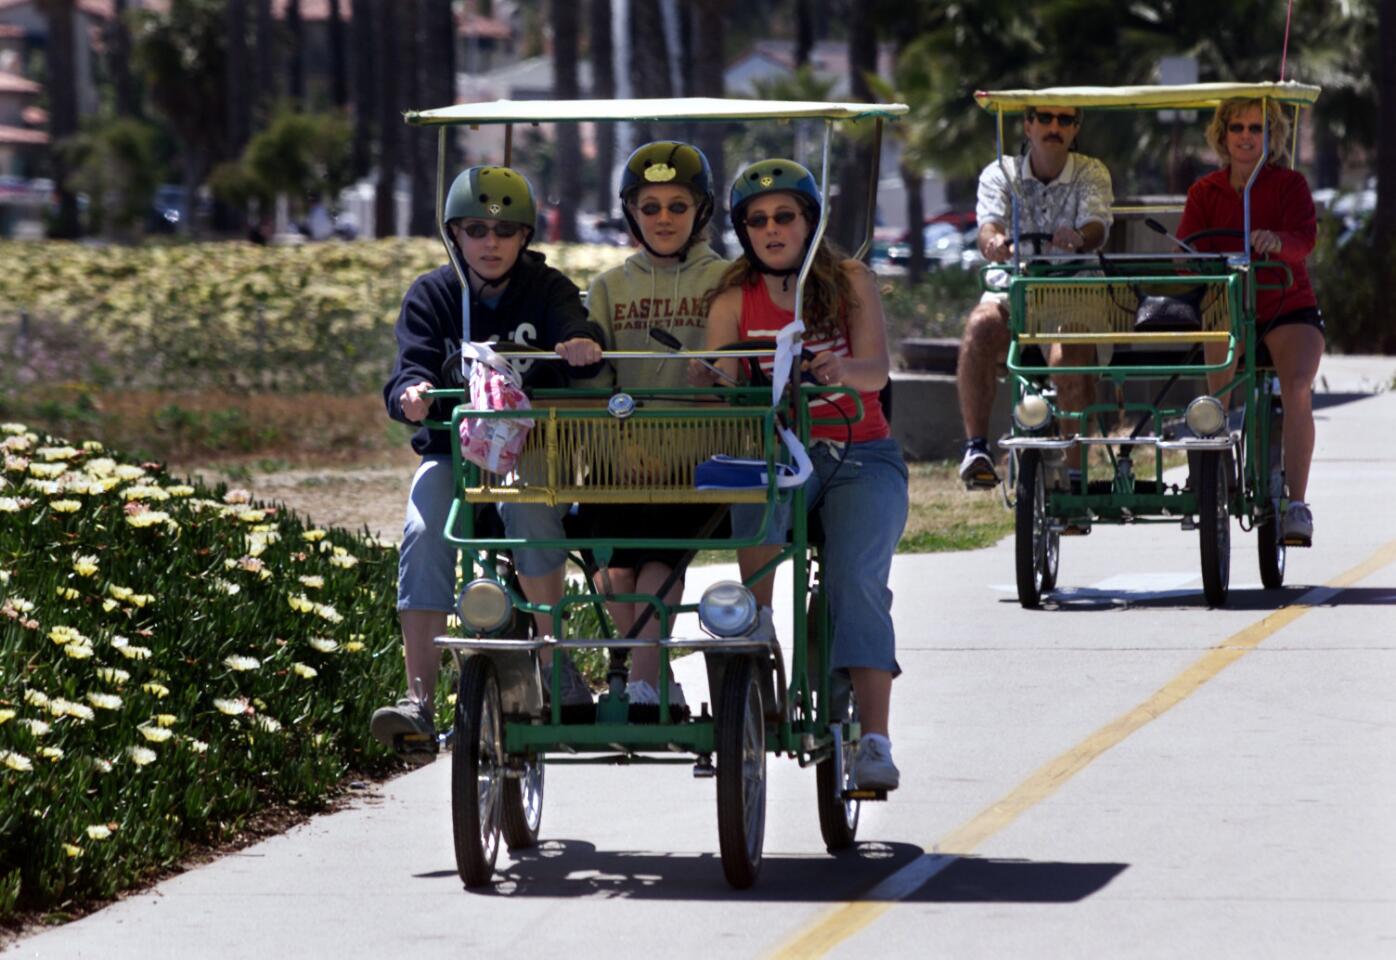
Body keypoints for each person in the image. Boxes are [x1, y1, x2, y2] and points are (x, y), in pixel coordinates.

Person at [373, 165, 605, 761]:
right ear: (455, 234)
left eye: (505, 230)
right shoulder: (432, 294)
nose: (490, 242)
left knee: (527, 510)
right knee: (424, 531)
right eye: (476, 229)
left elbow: (575, 329)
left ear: (525, 236)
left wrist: (579, 342)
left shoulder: (547, 287)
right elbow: (410, 366)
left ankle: (557, 664)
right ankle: (418, 699)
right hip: (453, 454)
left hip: (529, 452)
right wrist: (411, 393)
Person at [695, 158, 908, 791]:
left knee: (857, 584)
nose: (772, 229)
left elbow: (877, 370)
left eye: (785, 216)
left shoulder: (849, 282)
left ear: (809, 221)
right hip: (778, 454)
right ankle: (751, 658)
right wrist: (709, 379)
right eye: (757, 220)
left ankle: (874, 740)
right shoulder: (734, 299)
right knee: (751, 497)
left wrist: (842, 371)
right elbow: (719, 383)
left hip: (860, 454)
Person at [582, 140, 730, 717]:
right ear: (631, 214)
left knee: (654, 556)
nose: (664, 219)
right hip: (622, 453)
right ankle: (657, 673)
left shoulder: (725, 278)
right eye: (650, 207)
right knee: (610, 563)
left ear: (701, 211)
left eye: (677, 206)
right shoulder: (608, 288)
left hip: (699, 452)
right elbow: (595, 379)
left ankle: (641, 678)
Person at [1178, 97, 1322, 546]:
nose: (1245, 136)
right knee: (1216, 383)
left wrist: (1277, 241)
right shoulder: (1205, 192)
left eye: (1256, 128)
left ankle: (1296, 504)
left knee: (1296, 386)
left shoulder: (1290, 185)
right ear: (1222, 136)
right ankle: (1213, 472)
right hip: (1228, 306)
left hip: (1286, 305)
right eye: (1237, 127)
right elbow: (1184, 252)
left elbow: (1304, 241)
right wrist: (1193, 261)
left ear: (1271, 137)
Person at [957, 104, 1114, 489]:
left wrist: (1079, 238)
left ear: (1076, 128)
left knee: (1070, 356)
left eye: (1064, 120)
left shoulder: (1091, 171)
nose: (1054, 127)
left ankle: (1075, 476)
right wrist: (993, 242)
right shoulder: (1000, 172)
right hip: (1014, 287)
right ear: (1027, 125)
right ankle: (977, 449)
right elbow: (988, 224)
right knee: (979, 326)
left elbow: (1096, 224)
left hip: (1073, 288)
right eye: (1044, 118)